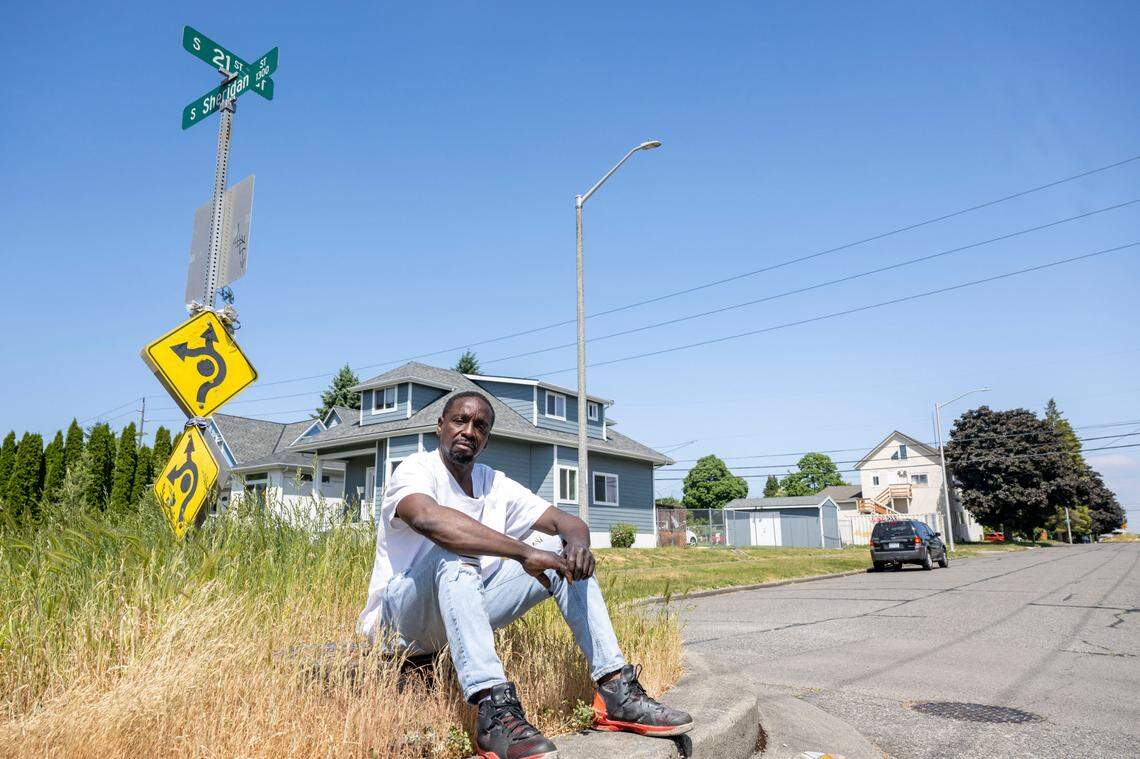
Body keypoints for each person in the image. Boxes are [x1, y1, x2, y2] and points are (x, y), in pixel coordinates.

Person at [359, 390, 692, 759]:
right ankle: (493, 711)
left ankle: (615, 691)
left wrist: (577, 546)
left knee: (561, 558)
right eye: (459, 420)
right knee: (456, 551)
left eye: (479, 425)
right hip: (402, 622)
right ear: (440, 427)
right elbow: (427, 518)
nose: (468, 430)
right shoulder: (416, 469)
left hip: (461, 606)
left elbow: (566, 521)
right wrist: (523, 552)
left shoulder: (492, 483)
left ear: (486, 440)